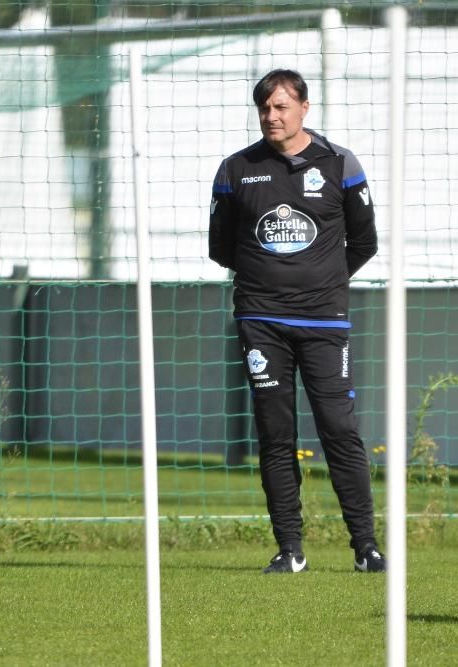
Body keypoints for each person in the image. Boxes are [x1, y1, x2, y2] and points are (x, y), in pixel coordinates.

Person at [208, 69, 383, 574]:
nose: (271, 116)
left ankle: (366, 548)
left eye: (281, 106)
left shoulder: (339, 163)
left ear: (305, 107)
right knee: (275, 432)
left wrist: (323, 283)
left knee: (338, 430)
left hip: (325, 323)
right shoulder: (236, 170)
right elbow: (221, 248)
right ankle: (290, 549)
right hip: (261, 321)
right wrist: (272, 282)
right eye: (264, 107)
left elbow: (364, 241)